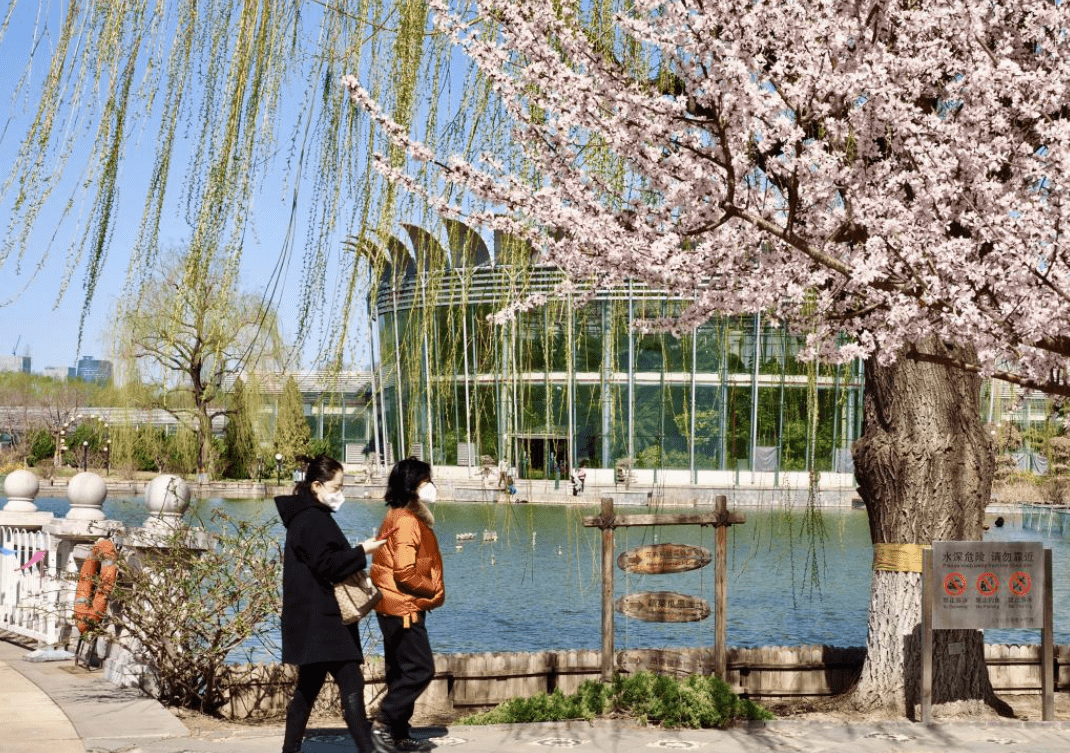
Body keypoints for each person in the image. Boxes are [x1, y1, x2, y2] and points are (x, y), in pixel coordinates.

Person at [276, 454, 389, 753]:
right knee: (351, 684)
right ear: (317, 485)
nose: (341, 493)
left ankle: (290, 750)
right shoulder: (312, 519)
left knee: (308, 690)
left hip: (315, 618)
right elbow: (328, 565)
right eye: (337, 486)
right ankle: (368, 749)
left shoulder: (307, 516)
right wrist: (362, 550)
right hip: (324, 619)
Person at [370, 458, 445, 752]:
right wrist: (432, 589)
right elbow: (404, 573)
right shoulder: (405, 521)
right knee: (421, 669)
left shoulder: (400, 516)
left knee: (401, 672)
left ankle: (398, 735)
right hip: (403, 607)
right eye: (427, 480)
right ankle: (383, 723)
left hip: (396, 605)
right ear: (414, 485)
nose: (431, 486)